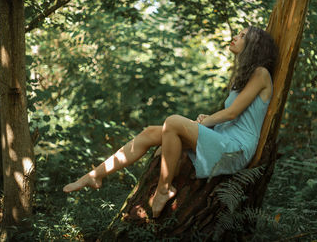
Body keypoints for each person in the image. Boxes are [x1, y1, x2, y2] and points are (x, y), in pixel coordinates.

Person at [63, 26, 278, 218]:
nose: (235, 37)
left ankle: (164, 189)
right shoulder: (244, 75)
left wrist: (203, 124)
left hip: (236, 149)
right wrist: (207, 120)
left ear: (254, 47)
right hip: (223, 137)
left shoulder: (261, 73)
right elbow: (232, 114)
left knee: (173, 122)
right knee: (149, 132)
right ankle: (94, 175)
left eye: (242, 36)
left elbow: (232, 114)